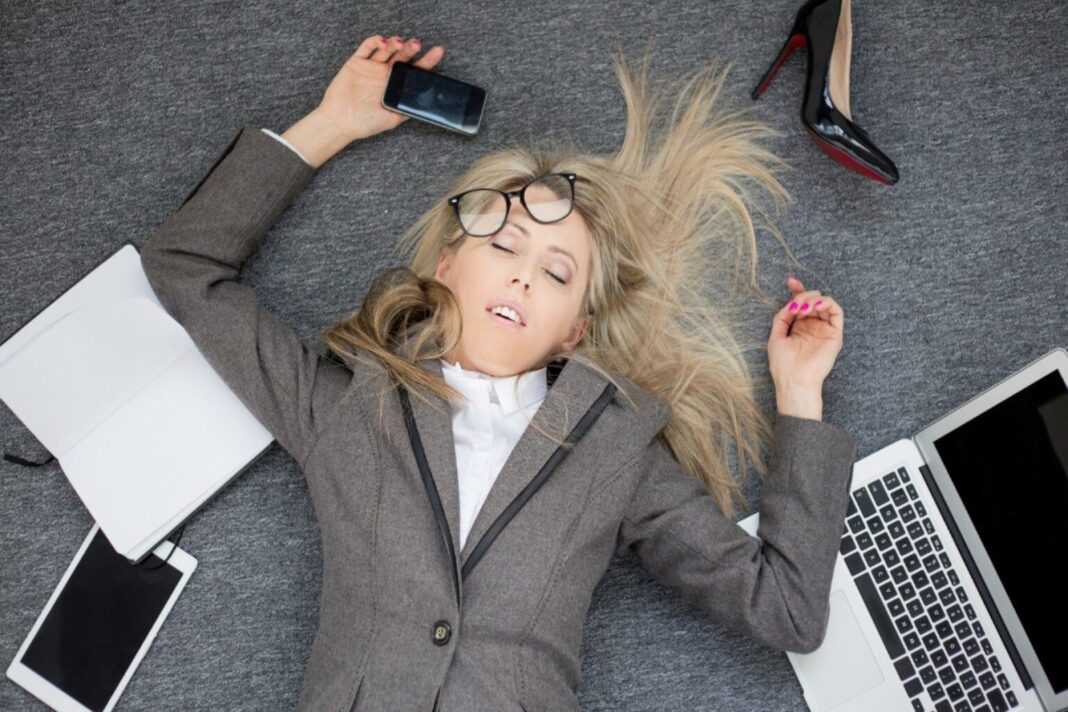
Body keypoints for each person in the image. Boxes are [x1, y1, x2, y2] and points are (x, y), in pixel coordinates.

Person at [140, 32, 857, 712]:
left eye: (557, 273)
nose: (523, 277)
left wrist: (799, 393)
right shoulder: (346, 402)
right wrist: (333, 123)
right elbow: (184, 266)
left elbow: (786, 610)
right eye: (505, 245)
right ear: (446, 266)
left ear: (574, 332)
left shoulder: (615, 452)